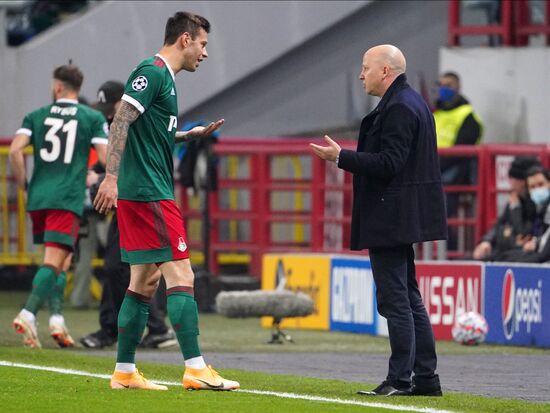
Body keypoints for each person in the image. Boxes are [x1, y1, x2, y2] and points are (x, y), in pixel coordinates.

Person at [93, 11, 239, 391]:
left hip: (142, 192)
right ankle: (195, 368)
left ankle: (124, 372)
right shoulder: (153, 71)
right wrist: (110, 177)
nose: (205, 54)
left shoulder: (166, 80)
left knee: (144, 281)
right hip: (149, 192)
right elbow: (121, 120)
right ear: (185, 40)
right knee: (182, 275)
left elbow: (146, 130)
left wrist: (185, 136)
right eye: (203, 44)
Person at [310, 44, 446, 397]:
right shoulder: (412, 102)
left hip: (391, 216)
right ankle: (426, 379)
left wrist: (343, 158)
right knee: (409, 297)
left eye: (365, 68)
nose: (361, 75)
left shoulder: (399, 107)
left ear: (386, 71)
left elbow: (389, 163)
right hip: (402, 214)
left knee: (395, 299)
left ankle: (400, 379)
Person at [9, 64, 108, 348]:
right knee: (55, 260)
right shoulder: (91, 117)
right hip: (67, 197)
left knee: (59, 258)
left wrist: (23, 185)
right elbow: (105, 155)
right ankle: (29, 313)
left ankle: (56, 319)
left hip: (38, 195)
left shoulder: (36, 115)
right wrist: (101, 175)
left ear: (57, 87)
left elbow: (15, 151)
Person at [80, 81, 177, 349]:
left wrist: (103, 178)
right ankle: (115, 327)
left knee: (133, 267)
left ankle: (153, 326)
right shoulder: (134, 119)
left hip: (140, 200)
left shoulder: (130, 119)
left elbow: (138, 159)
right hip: (133, 200)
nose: (111, 116)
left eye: (112, 110)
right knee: (121, 266)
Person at [434, 71, 483, 252]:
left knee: (446, 218)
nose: (443, 89)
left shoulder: (468, 115)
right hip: (434, 171)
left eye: (448, 85)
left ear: (458, 88)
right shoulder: (437, 114)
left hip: (455, 175)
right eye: (441, 84)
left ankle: (450, 254)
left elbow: (461, 151)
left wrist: (433, 166)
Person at [473, 156, 540, 261]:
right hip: (501, 251)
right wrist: (486, 241)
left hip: (514, 254)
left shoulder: (532, 205)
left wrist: (515, 208)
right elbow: (500, 223)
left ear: (522, 181)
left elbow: (522, 232)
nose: (510, 182)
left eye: (513, 178)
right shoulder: (515, 198)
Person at [497, 166, 550, 263]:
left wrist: (536, 243)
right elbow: (522, 233)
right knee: (502, 256)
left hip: (543, 255)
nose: (537, 190)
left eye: (541, 184)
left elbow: (544, 255)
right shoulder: (534, 206)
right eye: (532, 187)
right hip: (535, 249)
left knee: (505, 258)